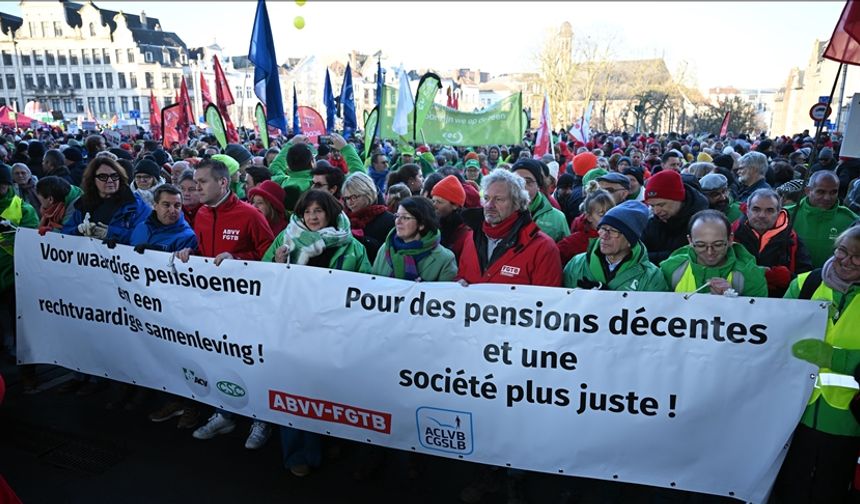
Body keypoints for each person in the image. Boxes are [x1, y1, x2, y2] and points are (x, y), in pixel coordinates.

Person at [264, 189, 370, 477]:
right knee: (294, 393)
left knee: (329, 393)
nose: (312, 216)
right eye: (307, 211)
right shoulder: (284, 239)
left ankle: (329, 444)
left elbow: (369, 291)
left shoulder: (353, 248)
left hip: (334, 333)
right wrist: (276, 264)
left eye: (318, 211)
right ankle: (296, 453)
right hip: (293, 329)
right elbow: (260, 280)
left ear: (331, 214)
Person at [175, 158, 274, 447]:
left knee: (252, 363)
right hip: (213, 305)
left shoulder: (250, 215)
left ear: (223, 182)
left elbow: (271, 259)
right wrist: (190, 252)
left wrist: (238, 261)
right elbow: (206, 250)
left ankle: (262, 421)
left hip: (248, 307)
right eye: (194, 182)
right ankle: (225, 413)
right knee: (219, 359)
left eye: (202, 181)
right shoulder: (202, 214)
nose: (196, 187)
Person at [774, 226, 860, 503]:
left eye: (857, 258)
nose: (845, 261)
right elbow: (774, 335)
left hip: (849, 421)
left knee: (831, 490)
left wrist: (834, 358)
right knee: (789, 487)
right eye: (841, 251)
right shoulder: (805, 284)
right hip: (795, 414)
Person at [457, 169, 562, 287]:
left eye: (499, 199)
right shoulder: (470, 238)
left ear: (517, 203)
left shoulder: (543, 248)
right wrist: (459, 284)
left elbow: (547, 300)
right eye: (486, 198)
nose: (489, 205)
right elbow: (462, 276)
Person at [660, 209, 767, 297]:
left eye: (718, 244)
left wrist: (735, 300)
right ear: (690, 241)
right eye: (701, 245)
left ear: (730, 239)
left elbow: (759, 318)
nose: (710, 252)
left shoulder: (752, 276)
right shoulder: (670, 269)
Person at [563, 201, 666, 291]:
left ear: (630, 240)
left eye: (612, 231)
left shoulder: (651, 277)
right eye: (602, 228)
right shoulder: (577, 264)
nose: (604, 236)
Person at [732, 188, 813, 297]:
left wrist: (787, 277)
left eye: (769, 210)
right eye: (756, 209)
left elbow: (806, 278)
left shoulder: (792, 239)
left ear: (779, 212)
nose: (762, 215)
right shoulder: (732, 234)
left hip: (778, 304)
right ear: (747, 210)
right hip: (738, 301)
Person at [63, 157, 151, 245]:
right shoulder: (83, 203)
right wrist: (78, 230)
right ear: (93, 180)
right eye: (103, 177)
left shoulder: (136, 206)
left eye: (114, 176)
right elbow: (64, 234)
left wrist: (111, 233)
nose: (110, 181)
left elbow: (147, 237)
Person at [372, 196, 457, 281]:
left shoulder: (445, 259)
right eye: (397, 216)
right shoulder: (386, 248)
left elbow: (446, 292)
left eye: (405, 218)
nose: (398, 221)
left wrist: (424, 289)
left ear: (422, 224)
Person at [787, 170, 858, 268]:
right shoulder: (786, 215)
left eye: (833, 192)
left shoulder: (851, 220)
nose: (827, 198)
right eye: (821, 192)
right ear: (808, 191)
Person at [642, 169, 709, 264]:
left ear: (679, 199)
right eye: (652, 206)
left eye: (661, 205)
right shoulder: (652, 223)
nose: (656, 211)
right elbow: (637, 255)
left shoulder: (703, 224)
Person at [557, 182, 615, 266]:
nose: (607, 218)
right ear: (589, 217)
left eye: (611, 213)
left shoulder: (619, 237)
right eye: (601, 215)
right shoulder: (574, 242)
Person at [511, 159, 570, 242]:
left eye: (528, 181)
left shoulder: (557, 218)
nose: (522, 186)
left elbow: (564, 251)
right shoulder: (501, 212)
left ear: (538, 185)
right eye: (517, 181)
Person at [342, 172, 395, 261]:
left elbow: (389, 254)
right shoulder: (344, 220)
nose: (350, 202)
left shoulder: (389, 220)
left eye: (354, 197)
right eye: (347, 198)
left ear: (368, 194)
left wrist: (363, 240)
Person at [130, 185, 198, 253]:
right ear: (155, 206)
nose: (172, 210)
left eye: (177, 205)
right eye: (166, 205)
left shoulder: (188, 237)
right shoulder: (141, 227)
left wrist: (158, 253)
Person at [431, 175, 473, 262]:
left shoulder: (465, 233)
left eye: (439, 202)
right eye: (433, 201)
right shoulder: (436, 223)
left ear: (455, 205)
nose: (434, 205)